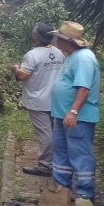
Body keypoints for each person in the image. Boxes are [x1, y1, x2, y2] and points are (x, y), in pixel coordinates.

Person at [48, 21, 100, 203]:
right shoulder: (73, 56)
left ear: (67, 41)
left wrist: (73, 111)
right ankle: (61, 189)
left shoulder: (83, 59)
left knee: (80, 153)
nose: (56, 41)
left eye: (58, 38)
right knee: (61, 153)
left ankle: (84, 195)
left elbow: (83, 88)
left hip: (78, 118)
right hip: (63, 115)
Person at [10, 22, 64, 176]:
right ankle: (58, 163)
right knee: (54, 131)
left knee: (45, 134)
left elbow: (22, 76)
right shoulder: (59, 53)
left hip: (38, 100)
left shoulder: (32, 55)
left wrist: (15, 68)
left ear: (37, 37)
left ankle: (45, 166)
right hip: (55, 99)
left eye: (34, 32)